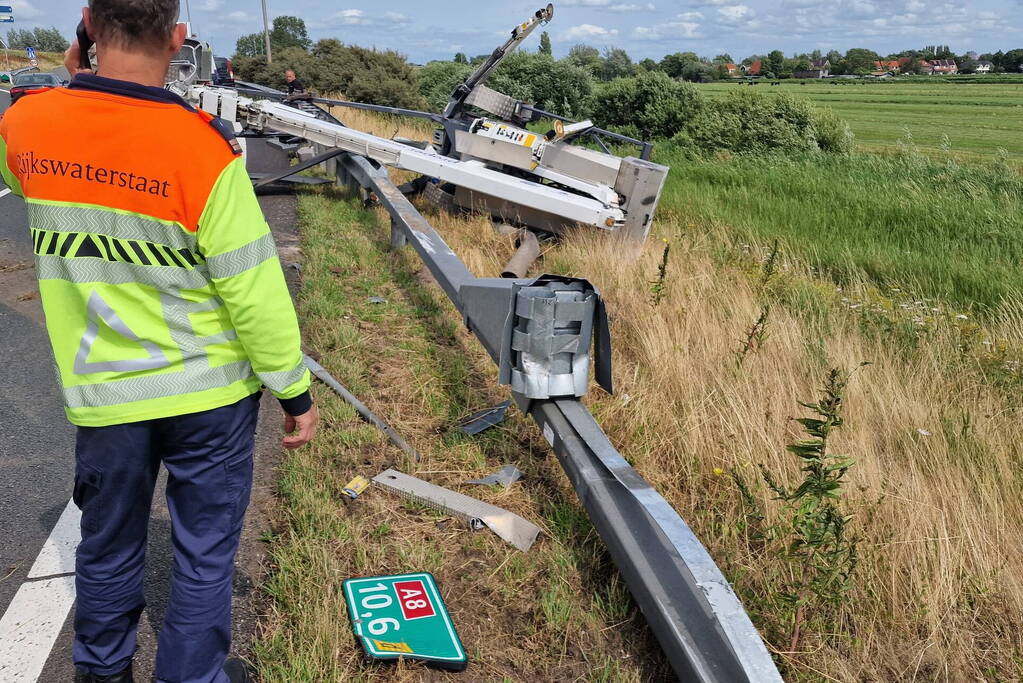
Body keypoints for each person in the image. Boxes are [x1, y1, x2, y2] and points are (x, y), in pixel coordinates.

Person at [0, 1, 319, 681]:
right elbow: (252, 290)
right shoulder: (201, 147)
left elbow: (19, 172)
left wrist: (71, 78)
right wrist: (292, 388)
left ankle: (102, 670)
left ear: (88, 23)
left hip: (106, 393)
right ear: (177, 38)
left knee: (108, 542)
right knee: (203, 554)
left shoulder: (28, 124)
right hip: (211, 393)